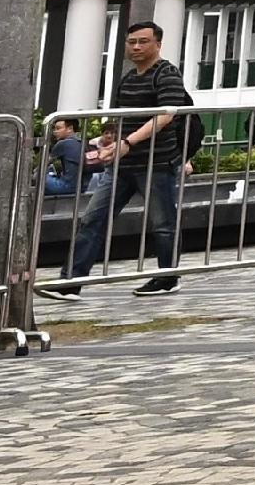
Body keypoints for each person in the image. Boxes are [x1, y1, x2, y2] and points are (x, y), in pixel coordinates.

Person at [65, 18, 196, 293]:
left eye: (143, 41)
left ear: (158, 44)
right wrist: (110, 144)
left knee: (163, 223)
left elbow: (166, 115)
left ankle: (167, 277)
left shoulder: (167, 74)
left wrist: (128, 142)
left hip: (156, 162)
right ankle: (72, 280)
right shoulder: (128, 78)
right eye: (131, 42)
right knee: (93, 218)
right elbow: (121, 119)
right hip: (122, 164)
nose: (136, 47)